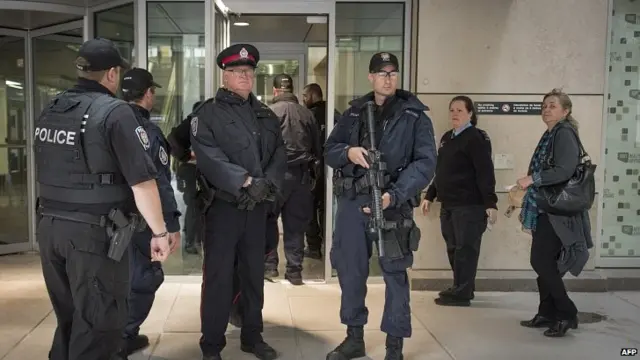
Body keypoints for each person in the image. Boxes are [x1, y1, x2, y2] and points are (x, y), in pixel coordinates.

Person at [34, 38, 171, 360]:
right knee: (100, 325)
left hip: (50, 228)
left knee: (69, 318)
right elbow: (142, 183)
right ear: (112, 73)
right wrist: (160, 232)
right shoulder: (115, 112)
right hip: (93, 236)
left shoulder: (53, 107)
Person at [324, 52, 437, 360]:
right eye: (382, 73)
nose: (388, 78)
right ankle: (354, 337)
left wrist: (394, 195)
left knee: (395, 275)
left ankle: (394, 346)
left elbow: (426, 164)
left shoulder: (415, 117)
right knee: (350, 271)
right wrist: (349, 152)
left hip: (391, 205)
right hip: (353, 204)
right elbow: (329, 150)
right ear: (371, 77)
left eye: (393, 73)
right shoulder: (354, 114)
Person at [191, 43, 286, 360]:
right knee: (218, 278)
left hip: (257, 209)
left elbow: (279, 155)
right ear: (224, 75)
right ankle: (212, 344)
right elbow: (208, 157)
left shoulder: (266, 114)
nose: (245, 76)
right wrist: (245, 181)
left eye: (249, 71)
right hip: (224, 209)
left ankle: (252, 336)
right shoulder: (207, 114)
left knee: (253, 275)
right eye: (237, 71)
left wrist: (266, 185)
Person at [517, 88, 593, 337]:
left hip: (557, 210)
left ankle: (567, 313)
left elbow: (564, 171)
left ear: (565, 110)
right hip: (546, 206)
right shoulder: (551, 134)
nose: (547, 109)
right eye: (545, 105)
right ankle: (546, 312)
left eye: (552, 105)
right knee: (545, 263)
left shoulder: (564, 133)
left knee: (541, 261)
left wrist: (532, 178)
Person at [120, 68, 182, 355]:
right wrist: (169, 224)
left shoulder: (107, 121)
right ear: (148, 94)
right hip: (142, 220)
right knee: (146, 276)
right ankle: (125, 335)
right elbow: (158, 181)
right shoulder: (148, 132)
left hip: (106, 218)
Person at [421, 95, 498, 307]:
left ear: (470, 114)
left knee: (466, 249)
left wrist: (490, 203)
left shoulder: (476, 138)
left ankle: (462, 293)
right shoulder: (448, 138)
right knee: (454, 248)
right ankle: (462, 287)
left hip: (469, 205)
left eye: (460, 110)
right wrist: (430, 195)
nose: (455, 114)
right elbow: (441, 171)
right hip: (450, 205)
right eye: (452, 110)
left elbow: (485, 172)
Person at [264, 74, 322, 284]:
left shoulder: (268, 113)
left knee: (268, 220)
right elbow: (317, 147)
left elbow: (261, 148)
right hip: (301, 175)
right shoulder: (307, 113)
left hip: (275, 176)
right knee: (296, 224)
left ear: (275, 91)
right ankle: (294, 271)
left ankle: (270, 267)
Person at [301, 83, 340, 259]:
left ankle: (314, 247)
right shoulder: (334, 113)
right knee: (327, 210)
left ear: (312, 95)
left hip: (313, 169)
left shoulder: (308, 115)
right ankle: (330, 244)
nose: (303, 99)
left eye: (304, 95)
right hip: (331, 170)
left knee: (309, 210)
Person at [169, 101, 203, 255]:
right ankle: (191, 241)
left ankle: (192, 238)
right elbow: (173, 142)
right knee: (194, 205)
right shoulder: (193, 126)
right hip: (191, 171)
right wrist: (188, 156)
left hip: (192, 171)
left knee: (194, 206)